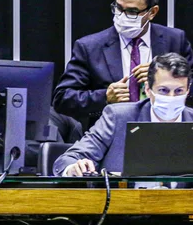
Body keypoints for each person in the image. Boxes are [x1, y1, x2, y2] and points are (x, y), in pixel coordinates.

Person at [53, 0, 193, 127]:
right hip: (111, 137)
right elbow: (62, 99)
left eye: (132, 12)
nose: (122, 16)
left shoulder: (175, 40)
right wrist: (105, 97)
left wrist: (165, 77)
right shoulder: (90, 47)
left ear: (152, 12)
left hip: (167, 131)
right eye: (119, 8)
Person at [53, 52, 193, 176]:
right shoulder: (118, 117)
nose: (171, 97)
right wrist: (73, 167)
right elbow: (68, 159)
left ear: (188, 90)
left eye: (179, 91)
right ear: (148, 89)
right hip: (123, 202)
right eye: (163, 90)